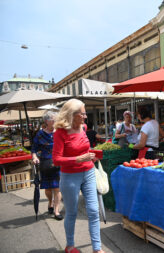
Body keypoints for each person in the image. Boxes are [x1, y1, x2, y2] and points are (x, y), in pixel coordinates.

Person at [52, 99, 104, 253]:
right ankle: (70, 246)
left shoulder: (83, 127)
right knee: (72, 212)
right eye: (82, 113)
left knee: (94, 211)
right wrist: (78, 159)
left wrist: (92, 156)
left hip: (88, 172)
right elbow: (56, 160)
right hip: (70, 176)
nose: (85, 116)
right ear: (72, 115)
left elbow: (84, 148)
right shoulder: (60, 133)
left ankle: (97, 248)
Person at [31, 111, 63, 221]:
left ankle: (56, 210)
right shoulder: (40, 134)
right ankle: (50, 202)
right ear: (46, 121)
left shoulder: (59, 132)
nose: (55, 121)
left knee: (57, 188)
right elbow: (34, 149)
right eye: (53, 119)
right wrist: (34, 157)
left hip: (58, 163)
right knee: (48, 189)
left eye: (56, 119)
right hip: (45, 163)